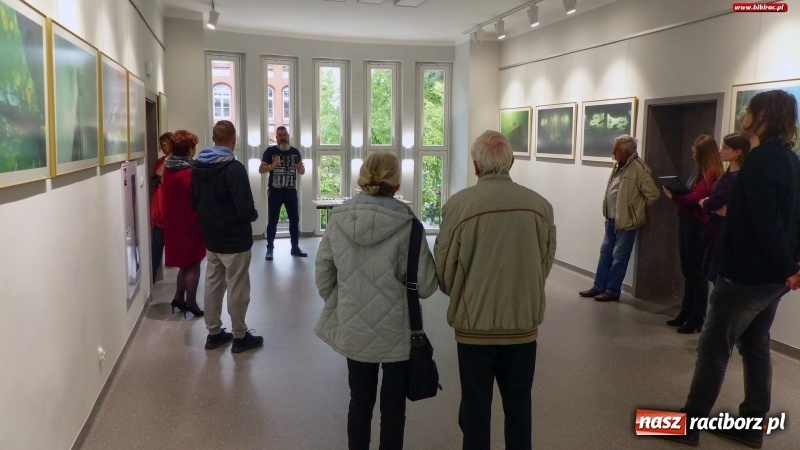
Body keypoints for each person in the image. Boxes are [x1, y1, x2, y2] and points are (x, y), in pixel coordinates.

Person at [664, 90, 800, 448]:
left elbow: (765, 222)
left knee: (713, 347)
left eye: (749, 109)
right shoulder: (790, 160)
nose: (743, 114)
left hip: (747, 275)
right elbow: (791, 221)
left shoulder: (760, 161)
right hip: (771, 277)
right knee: (755, 345)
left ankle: (689, 423)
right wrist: (791, 266)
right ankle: (753, 424)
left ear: (764, 115)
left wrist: (789, 266)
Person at [434, 130, 556, 450]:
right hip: (522, 326)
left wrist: (465, 294)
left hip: (474, 329)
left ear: (475, 166)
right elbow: (544, 264)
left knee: (475, 410)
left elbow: (444, 270)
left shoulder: (459, 206)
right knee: (519, 407)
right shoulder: (540, 206)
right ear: (512, 161)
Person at [315, 152, 438, 450]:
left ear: (362, 178)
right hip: (397, 330)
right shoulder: (409, 224)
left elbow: (323, 275)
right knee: (393, 406)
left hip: (354, 325)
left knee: (359, 400)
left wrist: (347, 299)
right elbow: (425, 286)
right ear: (395, 184)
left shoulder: (339, 218)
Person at [192, 120, 263, 353]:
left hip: (211, 237)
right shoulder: (234, 168)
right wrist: (253, 215)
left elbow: (194, 201)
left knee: (213, 284)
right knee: (238, 287)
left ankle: (213, 333)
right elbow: (244, 208)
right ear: (233, 140)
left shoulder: (197, 167)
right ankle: (240, 336)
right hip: (235, 239)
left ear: (213, 139)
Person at [578, 135, 659, 302]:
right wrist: (608, 214)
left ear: (626, 151)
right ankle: (599, 286)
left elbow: (653, 195)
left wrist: (634, 212)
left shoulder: (639, 169)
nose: (612, 152)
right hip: (612, 219)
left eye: (615, 149)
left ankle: (612, 291)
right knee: (605, 254)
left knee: (619, 258)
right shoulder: (619, 166)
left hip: (627, 222)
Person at [663, 134, 723, 333]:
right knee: (688, 270)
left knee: (696, 272)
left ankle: (696, 317)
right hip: (687, 220)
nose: (692, 154)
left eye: (695, 151)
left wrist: (674, 196)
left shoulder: (711, 172)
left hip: (697, 224)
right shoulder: (699, 170)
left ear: (703, 152)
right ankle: (686, 312)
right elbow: (690, 195)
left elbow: (695, 197)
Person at [161, 130, 205, 318]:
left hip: (174, 220)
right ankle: (191, 302)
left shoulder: (169, 169)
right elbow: (198, 198)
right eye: (193, 146)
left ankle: (179, 297)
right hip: (190, 220)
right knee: (193, 263)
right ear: (189, 149)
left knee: (184, 264)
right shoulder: (189, 172)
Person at [698, 133, 751, 284]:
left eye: (725, 147)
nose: (720, 151)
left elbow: (714, 201)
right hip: (715, 232)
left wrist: (706, 203)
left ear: (737, 152)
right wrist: (709, 205)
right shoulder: (728, 175)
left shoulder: (737, 177)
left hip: (724, 235)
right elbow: (713, 203)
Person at [259, 126, 306, 260]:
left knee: (294, 220)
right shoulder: (270, 151)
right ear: (276, 137)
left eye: (284, 134)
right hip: (275, 192)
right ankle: (269, 249)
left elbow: (301, 171)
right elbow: (261, 169)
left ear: (288, 135)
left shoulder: (295, 152)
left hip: (291, 192)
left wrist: (300, 168)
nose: (283, 137)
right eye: (280, 135)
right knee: (272, 221)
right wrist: (272, 166)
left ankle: (295, 247)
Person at [150, 131, 172, 282]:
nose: (160, 147)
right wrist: (166, 161)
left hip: (174, 209)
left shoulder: (182, 162)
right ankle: (152, 277)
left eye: (163, 144)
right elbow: (154, 180)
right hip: (160, 210)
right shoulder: (161, 161)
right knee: (157, 245)